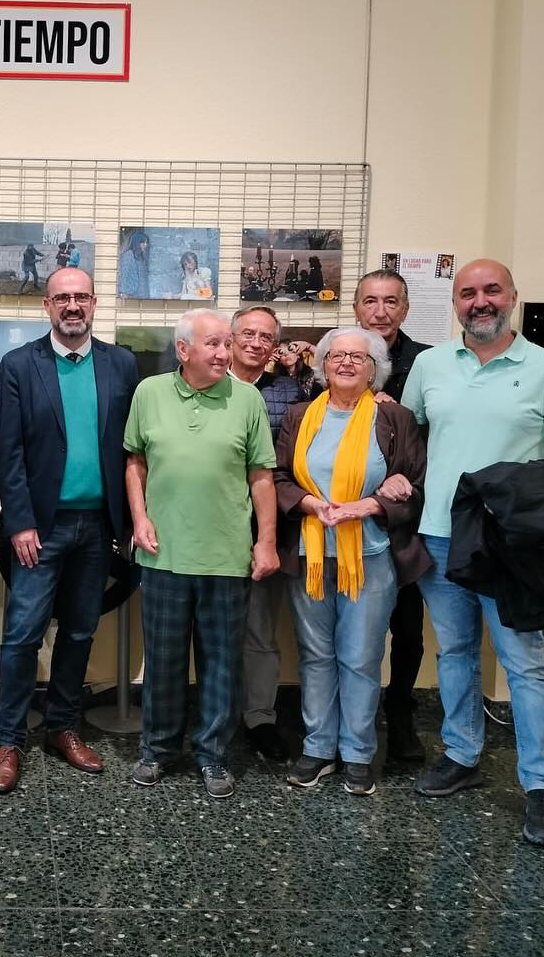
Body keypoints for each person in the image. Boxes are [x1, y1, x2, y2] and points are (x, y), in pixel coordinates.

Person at [401, 258, 544, 847]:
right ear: (455, 303)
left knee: (522, 660)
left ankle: (541, 785)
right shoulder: (430, 365)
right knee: (454, 650)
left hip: (509, 541)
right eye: (467, 294)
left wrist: (523, 496)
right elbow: (413, 437)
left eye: (490, 291)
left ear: (512, 297)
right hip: (440, 531)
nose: (479, 302)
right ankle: (462, 754)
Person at [0, 268, 139, 794]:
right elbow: (7, 452)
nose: (72, 306)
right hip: (40, 529)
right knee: (23, 634)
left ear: (94, 303)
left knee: (80, 630)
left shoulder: (121, 363)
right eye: (62, 298)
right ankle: (10, 740)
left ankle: (63, 727)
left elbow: (132, 449)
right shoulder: (18, 364)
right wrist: (21, 521)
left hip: (99, 527)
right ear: (47, 306)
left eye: (81, 297)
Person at [125, 309, 279, 799]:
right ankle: (157, 750)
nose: (223, 353)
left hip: (226, 557)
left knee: (220, 664)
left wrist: (266, 541)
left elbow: (261, 476)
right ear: (183, 350)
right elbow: (135, 463)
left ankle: (214, 757)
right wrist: (140, 519)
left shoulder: (248, 398)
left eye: (225, 344)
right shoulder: (148, 393)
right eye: (212, 344)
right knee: (164, 661)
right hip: (164, 554)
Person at [272, 326, 430, 795]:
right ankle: (319, 748)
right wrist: (309, 504)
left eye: (358, 358)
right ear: (321, 366)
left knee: (360, 657)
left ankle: (358, 752)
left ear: (374, 369)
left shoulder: (395, 417)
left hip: (372, 555)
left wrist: (374, 504)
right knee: (316, 656)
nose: (345, 363)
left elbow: (415, 484)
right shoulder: (300, 417)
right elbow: (279, 475)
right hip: (311, 553)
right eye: (336, 356)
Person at [353, 269, 432, 760]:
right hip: (344, 512)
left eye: (390, 302)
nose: (379, 312)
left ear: (404, 308)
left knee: (406, 624)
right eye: (370, 302)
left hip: (404, 513)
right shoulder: (337, 353)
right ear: (357, 307)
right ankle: (343, 719)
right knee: (346, 625)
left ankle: (400, 716)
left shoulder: (427, 361)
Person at [225, 307, 308, 764]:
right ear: (231, 337)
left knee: (259, 629)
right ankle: (209, 714)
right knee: (210, 629)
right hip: (213, 526)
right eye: (248, 334)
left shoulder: (291, 393)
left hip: (268, 528)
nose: (256, 343)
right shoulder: (208, 383)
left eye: (266, 337)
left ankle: (259, 718)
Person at [118, 231, 150, 299]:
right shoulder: (128, 255)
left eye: (146, 243)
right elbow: (124, 274)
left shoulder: (141, 257)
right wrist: (124, 292)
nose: (145, 245)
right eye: (143, 242)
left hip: (143, 294)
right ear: (136, 242)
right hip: (132, 294)